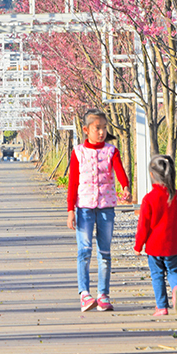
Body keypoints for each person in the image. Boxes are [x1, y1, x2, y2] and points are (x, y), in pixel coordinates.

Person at [67, 109, 131, 312]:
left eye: (104, 128)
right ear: (86, 130)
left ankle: (103, 295)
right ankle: (84, 294)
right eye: (97, 128)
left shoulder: (111, 151)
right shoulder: (78, 152)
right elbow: (72, 182)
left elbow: (119, 169)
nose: (102, 132)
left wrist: (125, 186)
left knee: (105, 252)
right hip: (84, 207)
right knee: (84, 251)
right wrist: (70, 210)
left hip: (106, 206)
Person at [134, 154, 177, 316]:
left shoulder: (149, 199)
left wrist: (138, 246)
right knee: (174, 271)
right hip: (172, 244)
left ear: (152, 174)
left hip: (154, 246)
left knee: (157, 275)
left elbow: (143, 226)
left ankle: (161, 307)